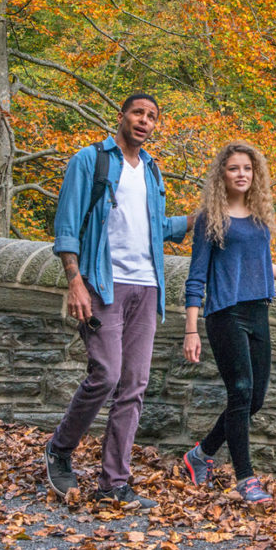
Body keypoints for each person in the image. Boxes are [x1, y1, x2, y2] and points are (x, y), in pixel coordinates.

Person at [44, 93, 192, 511]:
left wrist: (196, 220)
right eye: (138, 113)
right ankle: (59, 448)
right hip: (104, 286)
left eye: (152, 117)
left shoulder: (150, 169)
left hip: (147, 287)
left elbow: (155, 226)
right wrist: (76, 282)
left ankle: (114, 483)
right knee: (106, 375)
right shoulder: (91, 160)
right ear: (122, 116)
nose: (144, 121)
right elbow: (67, 228)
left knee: (134, 386)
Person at [180, 142, 276, 503]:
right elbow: (196, 276)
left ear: (255, 173)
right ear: (223, 174)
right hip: (225, 314)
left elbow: (260, 265)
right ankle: (245, 479)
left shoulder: (260, 216)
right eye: (234, 168)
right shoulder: (209, 219)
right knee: (241, 391)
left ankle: (199, 455)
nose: (242, 174)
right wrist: (191, 328)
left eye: (247, 168)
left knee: (256, 399)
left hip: (258, 311)